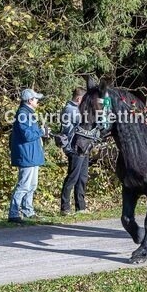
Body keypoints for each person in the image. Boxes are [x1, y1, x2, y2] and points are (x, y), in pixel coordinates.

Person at [9, 88, 48, 223]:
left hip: (32, 154)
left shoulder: (28, 113)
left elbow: (31, 133)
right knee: (24, 185)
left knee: (32, 185)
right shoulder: (23, 114)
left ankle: (28, 211)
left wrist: (41, 132)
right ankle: (13, 214)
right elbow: (27, 135)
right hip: (27, 154)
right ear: (30, 100)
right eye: (36, 99)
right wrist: (41, 132)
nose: (38, 101)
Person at [58, 87, 89, 215]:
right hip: (74, 147)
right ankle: (65, 207)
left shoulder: (78, 109)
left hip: (83, 146)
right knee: (72, 177)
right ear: (79, 98)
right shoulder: (70, 110)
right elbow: (84, 122)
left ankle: (80, 207)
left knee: (82, 178)